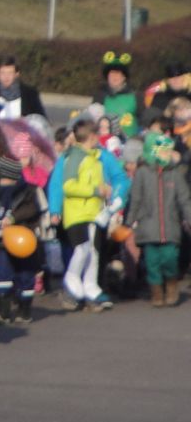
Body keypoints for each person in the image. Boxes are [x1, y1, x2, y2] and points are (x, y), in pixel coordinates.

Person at [58, 118, 125, 312]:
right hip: (77, 213)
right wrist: (96, 190)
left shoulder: (96, 157)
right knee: (82, 249)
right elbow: (68, 186)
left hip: (94, 213)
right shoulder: (74, 157)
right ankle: (71, 281)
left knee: (94, 253)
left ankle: (91, 288)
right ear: (92, 136)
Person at [126, 129, 191, 306]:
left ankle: (171, 284)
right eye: (161, 150)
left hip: (170, 227)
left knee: (170, 259)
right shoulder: (142, 174)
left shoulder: (175, 174)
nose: (165, 154)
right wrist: (129, 221)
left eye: (167, 151)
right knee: (152, 262)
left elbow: (184, 200)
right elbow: (136, 199)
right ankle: (156, 292)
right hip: (148, 226)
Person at [0, 144, 46, 325]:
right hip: (2, 242)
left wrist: (13, 218)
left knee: (25, 275)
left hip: (26, 240)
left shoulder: (28, 190)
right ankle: (3, 310)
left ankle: (25, 308)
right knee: (2, 274)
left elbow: (32, 209)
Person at [0, 56, 46, 122]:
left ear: (17, 74)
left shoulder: (30, 95)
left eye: (10, 73)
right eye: (2, 73)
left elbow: (41, 121)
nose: (6, 77)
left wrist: (26, 122)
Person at [94, 52, 144, 139]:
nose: (114, 77)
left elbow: (143, 119)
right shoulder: (100, 95)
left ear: (124, 77)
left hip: (130, 139)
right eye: (112, 74)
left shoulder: (136, 95)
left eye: (118, 73)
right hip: (105, 140)